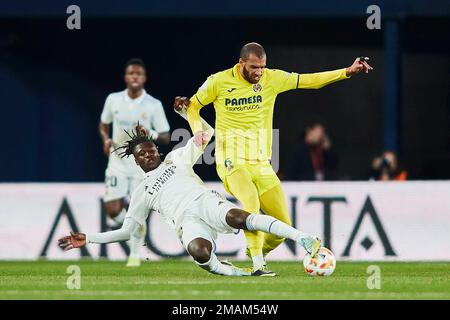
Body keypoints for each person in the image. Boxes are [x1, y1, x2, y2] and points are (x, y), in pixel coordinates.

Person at [174, 42, 373, 275]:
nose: (259, 72)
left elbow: (309, 80)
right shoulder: (218, 81)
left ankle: (255, 250)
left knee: (281, 226)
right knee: (250, 205)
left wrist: (346, 72)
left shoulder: (272, 79)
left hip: (261, 163)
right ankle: (259, 265)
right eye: (254, 67)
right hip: (231, 160)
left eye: (262, 67)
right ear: (241, 64)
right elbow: (193, 105)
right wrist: (197, 129)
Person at [58, 106, 321, 277]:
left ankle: (303, 238)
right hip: (186, 222)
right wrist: (89, 238)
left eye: (150, 149)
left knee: (240, 217)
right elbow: (127, 231)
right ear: (136, 161)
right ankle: (235, 273)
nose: (148, 154)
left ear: (157, 151)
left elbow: (207, 133)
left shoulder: (177, 157)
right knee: (200, 251)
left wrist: (188, 114)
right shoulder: (142, 191)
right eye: (142, 154)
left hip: (205, 201)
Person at [98, 58, 171, 266]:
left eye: (139, 73)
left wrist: (152, 134)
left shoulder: (153, 105)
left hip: (141, 165)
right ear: (126, 77)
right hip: (117, 161)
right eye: (131, 73)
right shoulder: (113, 100)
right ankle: (136, 229)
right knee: (113, 211)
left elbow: (166, 136)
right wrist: (106, 139)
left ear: (144, 78)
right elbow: (103, 124)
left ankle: (134, 255)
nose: (135, 77)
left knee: (137, 210)